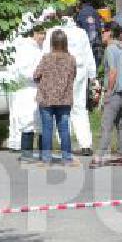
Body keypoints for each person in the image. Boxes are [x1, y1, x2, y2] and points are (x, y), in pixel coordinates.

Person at [43, 7, 97, 155]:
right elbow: (88, 55)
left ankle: (65, 144)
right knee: (79, 107)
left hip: (59, 72)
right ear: (73, 14)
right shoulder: (81, 32)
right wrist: (93, 76)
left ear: (57, 15)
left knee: (61, 108)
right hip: (79, 71)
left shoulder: (52, 32)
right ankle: (86, 144)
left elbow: (45, 55)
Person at [33, 29, 79, 166]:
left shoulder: (46, 58)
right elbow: (74, 76)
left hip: (46, 98)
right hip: (64, 99)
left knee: (47, 129)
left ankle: (46, 159)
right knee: (64, 129)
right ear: (65, 42)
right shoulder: (71, 59)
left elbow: (36, 75)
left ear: (52, 42)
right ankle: (66, 158)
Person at [90, 23, 122, 168]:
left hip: (115, 92)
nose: (102, 34)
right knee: (121, 125)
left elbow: (112, 72)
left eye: (103, 31)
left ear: (110, 33)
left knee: (106, 125)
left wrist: (108, 91)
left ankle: (98, 157)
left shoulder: (110, 49)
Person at [7, 25, 46, 160]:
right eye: (40, 33)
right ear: (34, 33)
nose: (42, 36)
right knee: (28, 121)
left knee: (42, 123)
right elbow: (23, 71)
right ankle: (27, 153)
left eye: (44, 34)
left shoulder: (40, 48)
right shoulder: (26, 48)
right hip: (28, 89)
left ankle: (43, 154)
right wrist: (37, 76)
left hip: (40, 89)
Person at [76, 0, 106, 70]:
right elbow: (100, 26)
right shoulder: (95, 11)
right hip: (97, 40)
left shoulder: (82, 12)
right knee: (97, 62)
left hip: (88, 41)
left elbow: (82, 28)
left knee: (88, 63)